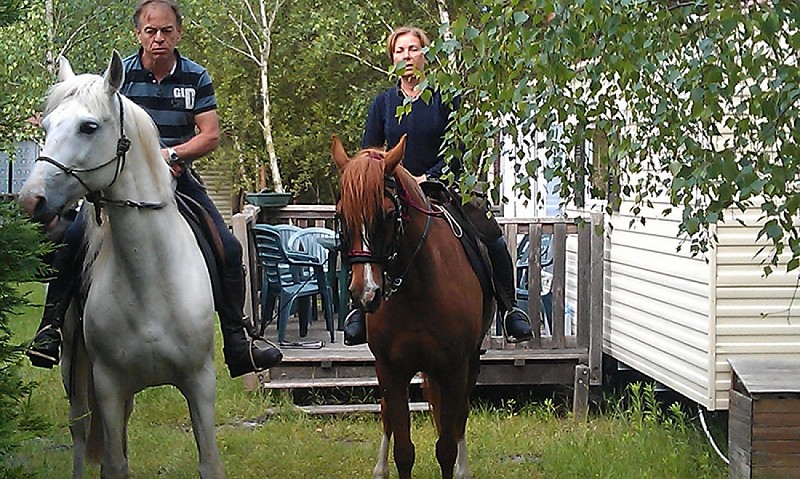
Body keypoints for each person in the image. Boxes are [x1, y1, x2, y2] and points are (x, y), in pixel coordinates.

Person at [26, 0, 282, 378]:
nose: (158, 38)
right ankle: (49, 330)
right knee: (72, 240)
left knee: (227, 248)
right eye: (150, 31)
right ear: (138, 34)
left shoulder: (196, 77)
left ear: (178, 33)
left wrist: (170, 154)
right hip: (119, 185)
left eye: (166, 31)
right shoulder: (118, 78)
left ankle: (237, 339)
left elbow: (210, 135)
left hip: (177, 177)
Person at [342, 26, 534, 345]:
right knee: (357, 238)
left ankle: (509, 309)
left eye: (413, 49)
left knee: (492, 237)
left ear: (425, 55)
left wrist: (426, 177)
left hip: (444, 189)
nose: (407, 56)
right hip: (394, 192)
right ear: (392, 58)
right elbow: (368, 153)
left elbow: (458, 150)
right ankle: (358, 312)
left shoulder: (446, 97)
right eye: (400, 50)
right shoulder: (383, 104)